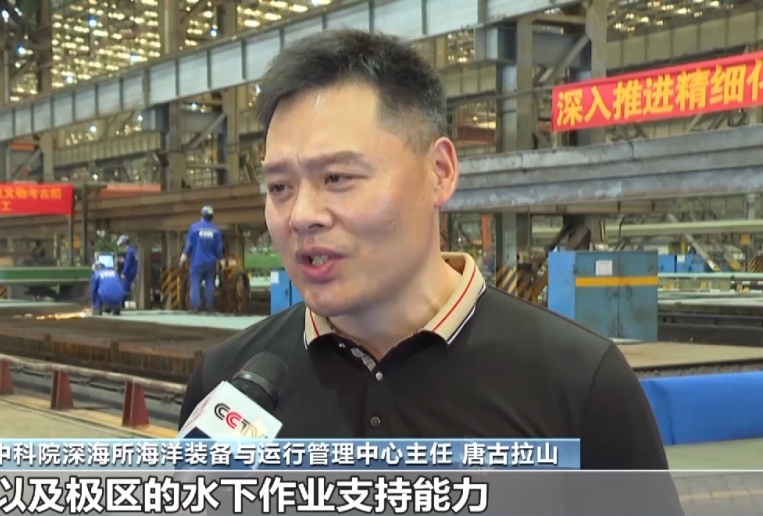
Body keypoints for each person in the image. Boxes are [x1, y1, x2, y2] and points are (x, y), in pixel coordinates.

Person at [178, 29, 678, 482]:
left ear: (439, 171)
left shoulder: (580, 385)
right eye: (279, 187)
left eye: (337, 178)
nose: (302, 215)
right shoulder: (228, 387)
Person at [180, 206, 223, 313]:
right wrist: (222, 260)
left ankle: (196, 307)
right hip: (211, 263)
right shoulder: (216, 230)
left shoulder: (194, 228)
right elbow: (219, 248)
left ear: (202, 215)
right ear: (212, 217)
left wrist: (183, 257)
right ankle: (209, 307)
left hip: (197, 262)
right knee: (210, 283)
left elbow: (189, 245)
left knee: (195, 283)